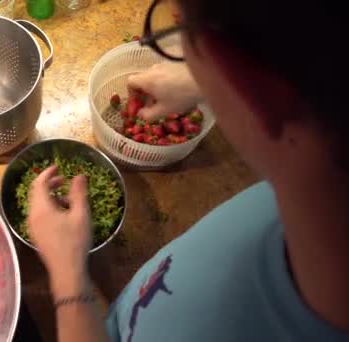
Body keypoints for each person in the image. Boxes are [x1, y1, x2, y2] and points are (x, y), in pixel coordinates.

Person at [27, 0, 349, 341]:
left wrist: (67, 273)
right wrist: (203, 77)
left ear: (245, 80)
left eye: (181, 28)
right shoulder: (313, 183)